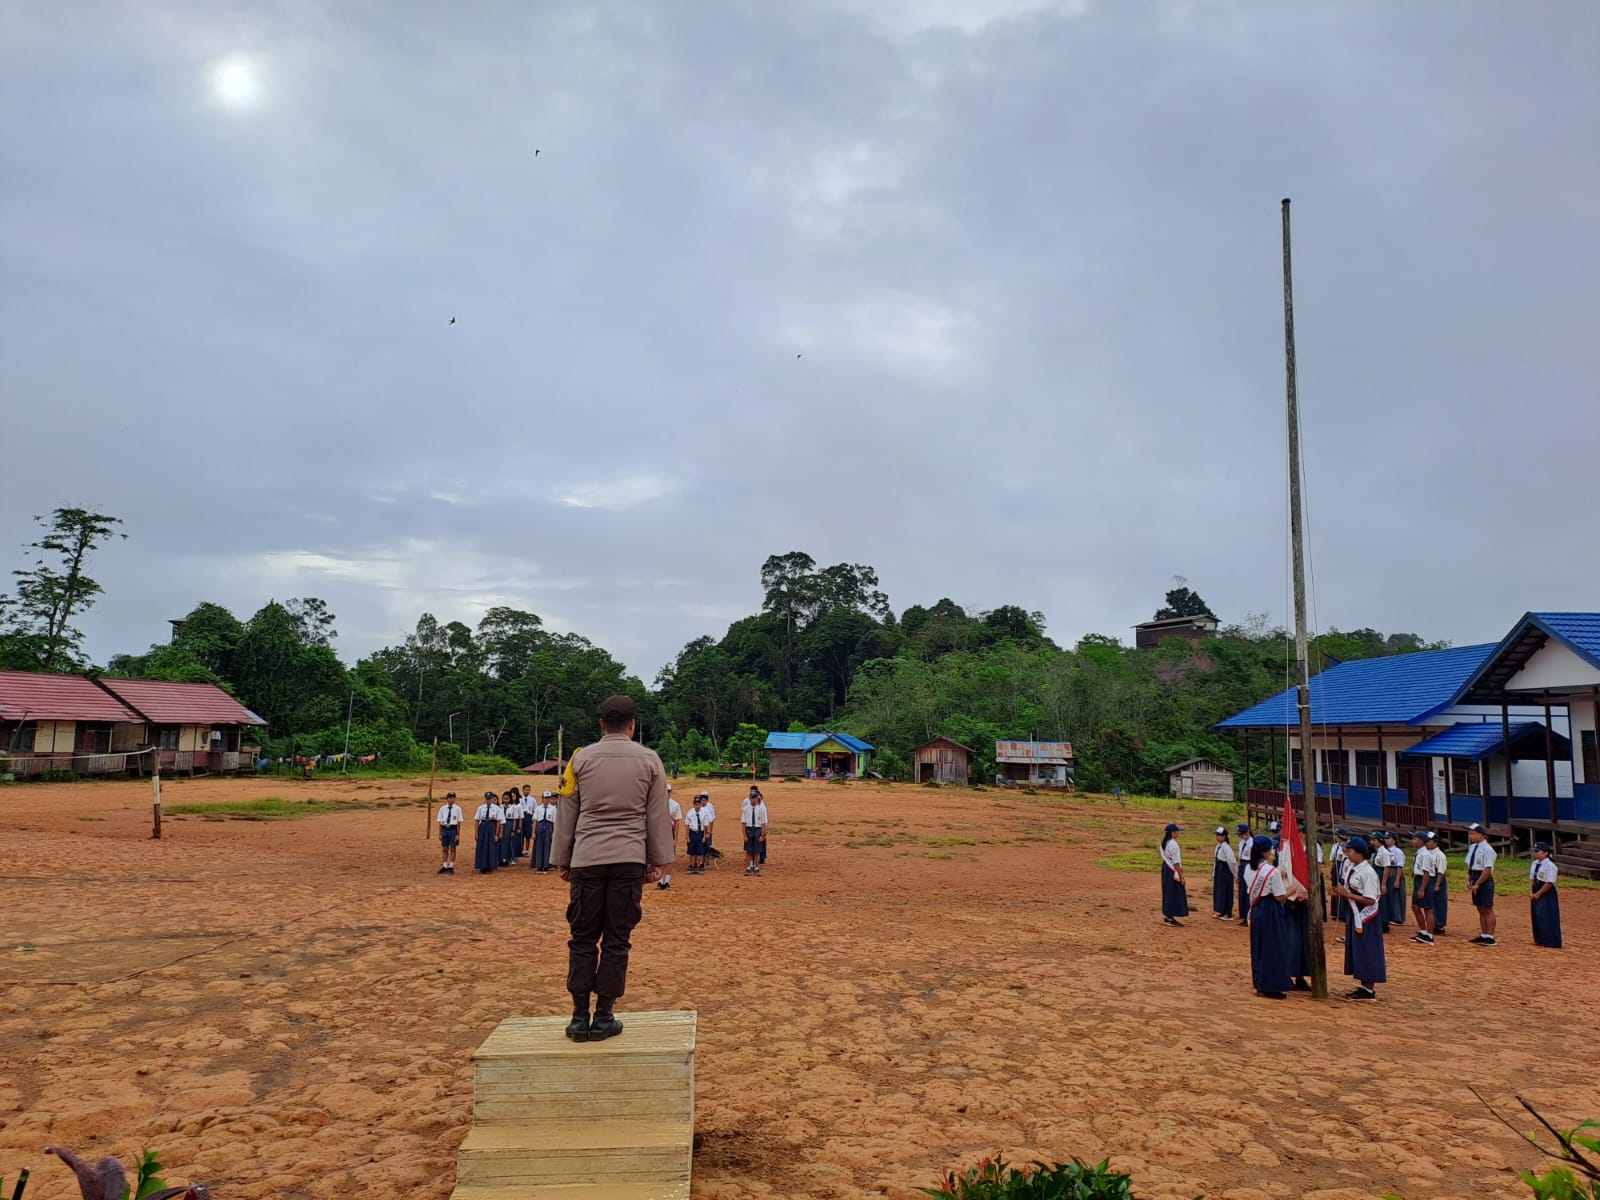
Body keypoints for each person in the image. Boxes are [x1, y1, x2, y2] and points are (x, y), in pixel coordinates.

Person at [552, 695, 673, 1044]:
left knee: (582, 937)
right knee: (618, 939)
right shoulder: (650, 760)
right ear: (633, 725)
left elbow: (567, 810)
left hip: (587, 858)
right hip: (629, 858)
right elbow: (656, 814)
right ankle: (604, 1016)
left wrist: (563, 858)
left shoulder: (580, 758)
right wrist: (658, 861)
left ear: (601, 724)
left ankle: (578, 1018)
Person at [1332, 836, 1386, 1001]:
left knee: (1368, 950)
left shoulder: (1368, 873)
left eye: (1350, 851)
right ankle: (1363, 985)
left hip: (1366, 916)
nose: (1347, 854)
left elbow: (1370, 899)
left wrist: (1347, 895)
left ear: (1360, 853)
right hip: (1354, 913)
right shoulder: (1353, 868)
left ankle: (1369, 989)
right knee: (1359, 950)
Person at [1245, 836, 1294, 999]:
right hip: (1270, 909)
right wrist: (1292, 890)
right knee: (1273, 947)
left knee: (1259, 947)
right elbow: (1280, 896)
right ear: (1265, 852)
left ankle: (1260, 982)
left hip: (1257, 908)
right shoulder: (1270, 871)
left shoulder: (1248, 868)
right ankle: (1271, 985)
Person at [1464, 823, 1497, 946]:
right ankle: (1484, 934)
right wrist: (1468, 878)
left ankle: (1490, 936)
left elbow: (1487, 869)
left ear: (1481, 834)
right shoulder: (1473, 847)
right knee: (1480, 907)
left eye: (1472, 833)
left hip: (1483, 878)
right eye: (1470, 833)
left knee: (1487, 907)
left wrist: (1478, 883)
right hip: (1475, 876)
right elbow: (1469, 864)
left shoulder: (1488, 849)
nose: (1470, 836)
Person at [1529, 841, 1562, 948]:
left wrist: (1539, 893)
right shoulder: (1535, 864)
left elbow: (1549, 882)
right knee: (1537, 915)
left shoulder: (1550, 866)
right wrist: (1531, 891)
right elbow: (1532, 879)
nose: (1535, 853)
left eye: (1537, 851)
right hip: (1536, 888)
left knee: (1547, 915)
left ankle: (1550, 940)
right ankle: (1540, 938)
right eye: (1534, 851)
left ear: (1546, 853)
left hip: (1546, 891)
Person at [1409, 831, 1436, 945]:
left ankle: (1429, 935)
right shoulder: (1419, 853)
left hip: (1424, 881)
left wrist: (1422, 888)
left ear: (1421, 840)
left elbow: (1426, 873)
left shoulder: (1425, 854)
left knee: (1427, 908)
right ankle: (1423, 932)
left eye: (1414, 838)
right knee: (1415, 906)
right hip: (1418, 880)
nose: (1412, 840)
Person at [1159, 823, 1188, 927]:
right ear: (1173, 833)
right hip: (1173, 870)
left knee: (1167, 892)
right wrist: (1181, 876)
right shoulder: (1173, 844)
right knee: (1173, 893)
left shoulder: (1164, 843)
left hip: (1166, 868)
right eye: (1177, 831)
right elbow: (1176, 862)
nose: (1178, 833)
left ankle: (1168, 915)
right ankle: (1170, 917)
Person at [741, 788, 769, 876]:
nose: (753, 800)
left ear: (758, 798)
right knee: (748, 851)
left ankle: (756, 868)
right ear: (750, 799)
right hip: (749, 829)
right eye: (752, 798)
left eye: (755, 798)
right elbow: (743, 823)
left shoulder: (761, 809)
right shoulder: (746, 809)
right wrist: (744, 835)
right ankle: (748, 868)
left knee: (757, 851)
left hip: (757, 829)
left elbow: (764, 823)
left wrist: (763, 835)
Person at [1212, 826, 1237, 920]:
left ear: (1225, 836)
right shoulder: (1218, 846)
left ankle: (1228, 912)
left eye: (1220, 835)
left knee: (1226, 891)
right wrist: (1214, 873)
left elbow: (1232, 861)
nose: (1217, 837)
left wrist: (1234, 873)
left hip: (1225, 871)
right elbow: (1216, 860)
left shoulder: (1227, 848)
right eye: (1217, 835)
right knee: (1220, 891)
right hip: (1219, 870)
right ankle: (1221, 910)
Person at [1383, 831, 1407, 930]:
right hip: (1387, 872)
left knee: (1396, 895)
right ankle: (1390, 915)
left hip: (1395, 872)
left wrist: (1397, 880)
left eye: (1388, 838)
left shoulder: (1397, 852)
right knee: (1389, 895)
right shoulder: (1385, 850)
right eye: (1385, 838)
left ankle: (1398, 917)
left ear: (1394, 840)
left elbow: (1400, 866)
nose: (1386, 840)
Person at [660, 786, 682, 890]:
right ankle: (660, 880)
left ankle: (667, 880)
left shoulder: (675, 805)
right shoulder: (656, 803)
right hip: (659, 833)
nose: (667, 793)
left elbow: (677, 824)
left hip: (670, 832)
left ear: (671, 792)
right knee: (659, 857)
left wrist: (675, 840)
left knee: (668, 858)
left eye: (668, 791)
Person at [1427, 831, 1449, 935]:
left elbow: (1441, 871)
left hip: (1437, 879)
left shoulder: (1440, 855)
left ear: (1436, 842)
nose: (1427, 843)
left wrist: (1437, 884)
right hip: (1430, 879)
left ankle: (1439, 925)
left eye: (1429, 841)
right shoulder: (1428, 853)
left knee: (1439, 902)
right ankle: (1433, 923)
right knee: (1431, 902)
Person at [473, 790, 501, 874]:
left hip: (492, 826)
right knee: (482, 846)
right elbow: (477, 820)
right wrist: (476, 833)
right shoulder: (481, 808)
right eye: (487, 798)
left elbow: (499, 822)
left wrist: (496, 834)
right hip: (483, 826)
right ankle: (482, 866)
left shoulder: (497, 808)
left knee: (491, 847)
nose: (488, 800)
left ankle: (490, 866)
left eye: (490, 798)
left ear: (493, 799)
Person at [436, 792, 463, 874]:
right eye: (450, 798)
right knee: (445, 848)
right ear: (447, 799)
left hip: (452, 828)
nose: (452, 800)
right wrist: (440, 833)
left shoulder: (458, 809)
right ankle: (444, 865)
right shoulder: (442, 809)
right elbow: (440, 822)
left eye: (453, 798)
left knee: (452, 847)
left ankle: (451, 865)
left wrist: (458, 834)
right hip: (445, 828)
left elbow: (458, 822)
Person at [1329, 828, 1352, 925]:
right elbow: (1333, 859)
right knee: (1335, 888)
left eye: (1337, 835)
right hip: (1337, 866)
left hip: (1344, 866)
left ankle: (1343, 913)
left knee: (1342, 888)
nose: (1335, 837)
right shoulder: (1335, 846)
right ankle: (1336, 911)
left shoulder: (1348, 845)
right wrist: (1332, 870)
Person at [532, 791, 558, 872]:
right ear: (542, 799)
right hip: (540, 826)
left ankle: (546, 865)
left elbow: (554, 822)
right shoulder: (538, 808)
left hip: (548, 826)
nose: (546, 800)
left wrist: (554, 832)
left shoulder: (553, 809)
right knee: (539, 846)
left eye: (548, 798)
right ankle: (539, 865)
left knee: (547, 846)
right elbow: (535, 821)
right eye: (545, 798)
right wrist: (533, 832)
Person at [685, 794, 710, 874]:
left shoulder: (704, 812)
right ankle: (692, 866)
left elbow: (706, 825)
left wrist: (704, 836)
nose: (697, 805)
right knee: (692, 850)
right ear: (693, 804)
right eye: (696, 804)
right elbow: (687, 825)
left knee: (700, 851)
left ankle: (699, 866)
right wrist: (687, 836)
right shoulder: (690, 812)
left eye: (698, 804)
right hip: (692, 832)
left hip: (700, 833)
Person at [1235, 823, 1253, 925]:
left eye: (1241, 834)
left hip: (1249, 865)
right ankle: (1243, 914)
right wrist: (1238, 873)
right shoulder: (1241, 843)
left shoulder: (1252, 843)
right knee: (1242, 890)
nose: (1240, 836)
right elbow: (1240, 858)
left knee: (1247, 890)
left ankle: (1248, 916)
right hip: (1242, 865)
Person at [520, 783, 536, 857]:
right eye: (526, 790)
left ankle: (526, 850)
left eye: (528, 790)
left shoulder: (533, 800)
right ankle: (520, 850)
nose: (527, 791)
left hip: (529, 817)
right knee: (521, 835)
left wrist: (533, 821)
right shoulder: (519, 799)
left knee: (528, 835)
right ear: (523, 790)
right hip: (521, 817)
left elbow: (535, 810)